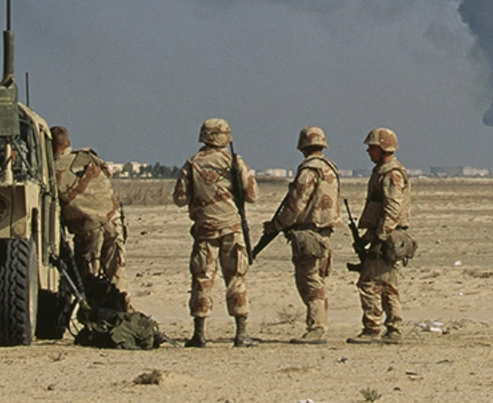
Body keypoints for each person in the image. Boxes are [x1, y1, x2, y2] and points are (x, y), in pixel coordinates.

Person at [172, 118, 260, 348]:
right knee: (236, 279)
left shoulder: (192, 164)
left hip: (204, 231)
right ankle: (241, 333)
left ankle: (199, 334)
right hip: (232, 229)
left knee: (202, 279)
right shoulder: (234, 162)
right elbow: (252, 195)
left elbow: (179, 199)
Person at [262, 125, 342, 345]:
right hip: (324, 232)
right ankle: (318, 324)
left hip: (308, 234)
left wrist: (276, 225)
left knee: (309, 281)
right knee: (318, 279)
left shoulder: (309, 171)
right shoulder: (330, 169)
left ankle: (316, 328)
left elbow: (295, 205)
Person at [348, 127, 411, 344]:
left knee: (369, 283)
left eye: (372, 148)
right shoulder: (383, 171)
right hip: (385, 235)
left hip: (387, 237)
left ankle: (372, 329)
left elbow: (393, 208)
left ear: (383, 148)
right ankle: (394, 328)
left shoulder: (391, 173)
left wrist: (379, 236)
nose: (368, 152)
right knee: (388, 286)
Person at [51, 126, 125, 286]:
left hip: (88, 229)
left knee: (89, 279)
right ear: (68, 142)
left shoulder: (51, 172)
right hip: (112, 220)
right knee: (117, 274)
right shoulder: (86, 157)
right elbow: (106, 171)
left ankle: (92, 308)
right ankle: (123, 305)